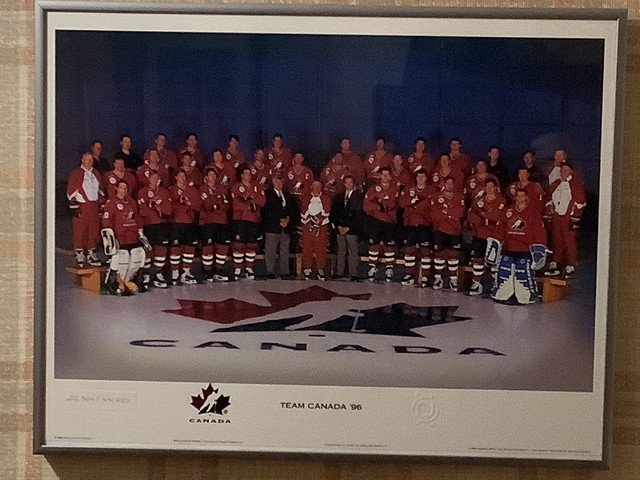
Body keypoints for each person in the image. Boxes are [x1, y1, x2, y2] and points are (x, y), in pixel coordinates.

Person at [487, 188, 548, 304]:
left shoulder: (533, 213)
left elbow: (540, 233)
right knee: (505, 266)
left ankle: (526, 295)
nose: (520, 199)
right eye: (518, 196)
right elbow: (500, 230)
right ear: (515, 198)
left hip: (525, 250)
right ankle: (502, 294)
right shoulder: (507, 211)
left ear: (526, 198)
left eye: (522, 196)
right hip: (509, 248)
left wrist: (539, 250)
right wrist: (495, 244)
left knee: (522, 268)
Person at [101, 180, 148, 295]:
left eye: (125, 188)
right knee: (122, 258)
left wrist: (141, 233)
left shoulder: (131, 202)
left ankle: (128, 280)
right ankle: (115, 283)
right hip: (120, 237)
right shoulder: (111, 202)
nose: (124, 190)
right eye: (121, 187)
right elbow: (106, 221)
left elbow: (137, 218)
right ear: (116, 188)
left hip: (133, 236)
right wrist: (111, 239)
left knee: (138, 256)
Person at [544, 163, 586, 278]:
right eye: (562, 170)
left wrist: (575, 217)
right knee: (556, 239)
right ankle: (556, 263)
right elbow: (548, 199)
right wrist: (549, 212)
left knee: (569, 241)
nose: (564, 172)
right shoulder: (555, 184)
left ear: (571, 171)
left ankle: (570, 264)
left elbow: (580, 203)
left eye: (566, 170)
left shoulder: (575, 185)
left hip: (568, 217)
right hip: (556, 216)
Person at [466, 178, 506, 295]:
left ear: (495, 188)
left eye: (491, 186)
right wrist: (479, 219)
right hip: (480, 233)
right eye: (487, 186)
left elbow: (497, 216)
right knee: (478, 259)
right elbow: (470, 214)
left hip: (495, 235)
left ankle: (495, 285)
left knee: (494, 261)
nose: (489, 189)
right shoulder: (479, 200)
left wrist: (483, 214)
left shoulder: (501, 201)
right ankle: (476, 284)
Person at [399, 170, 436, 287]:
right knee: (409, 249)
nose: (420, 178)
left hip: (424, 223)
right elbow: (401, 202)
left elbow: (431, 205)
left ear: (426, 178)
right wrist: (411, 202)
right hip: (410, 223)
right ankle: (408, 275)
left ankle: (425, 276)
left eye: (422, 176)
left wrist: (414, 207)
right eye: (418, 176)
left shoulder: (431, 190)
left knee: (425, 250)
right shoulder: (409, 189)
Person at [66, 152, 104, 267]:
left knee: (93, 230)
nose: (90, 162)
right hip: (83, 206)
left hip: (94, 206)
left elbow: (101, 191)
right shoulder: (76, 173)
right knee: (80, 230)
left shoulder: (95, 173)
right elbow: (70, 191)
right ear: (82, 160)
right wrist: (74, 206)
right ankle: (79, 253)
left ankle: (91, 252)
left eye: (91, 160)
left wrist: (101, 205)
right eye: (87, 160)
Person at [137, 171, 172, 289]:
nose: (154, 180)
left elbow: (168, 209)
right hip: (148, 225)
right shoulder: (142, 192)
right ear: (148, 179)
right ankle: (146, 274)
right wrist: (153, 208)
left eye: (156, 178)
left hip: (161, 225)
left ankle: (158, 274)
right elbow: (142, 210)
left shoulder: (164, 192)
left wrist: (159, 209)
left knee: (161, 249)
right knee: (148, 249)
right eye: (152, 178)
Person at [363, 167, 399, 282]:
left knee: (389, 245)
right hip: (376, 220)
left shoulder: (394, 188)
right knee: (374, 244)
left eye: (387, 174)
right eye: (383, 174)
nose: (385, 177)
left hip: (389, 221)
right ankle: (372, 267)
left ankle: (389, 269)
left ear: (390, 176)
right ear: (380, 176)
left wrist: (386, 205)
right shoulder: (373, 188)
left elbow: (396, 204)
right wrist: (377, 206)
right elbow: (366, 205)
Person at [430, 176, 466, 290]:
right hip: (440, 229)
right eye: (447, 183)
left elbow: (460, 213)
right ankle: (438, 278)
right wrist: (450, 215)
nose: (449, 185)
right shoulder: (436, 196)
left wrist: (445, 213)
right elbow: (433, 214)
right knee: (439, 254)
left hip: (454, 230)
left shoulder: (459, 196)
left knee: (453, 255)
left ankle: (453, 280)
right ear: (444, 183)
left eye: (451, 183)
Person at [230, 166, 266, 280]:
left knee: (251, 245)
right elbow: (236, 203)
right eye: (246, 174)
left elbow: (262, 201)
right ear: (241, 175)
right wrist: (248, 204)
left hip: (253, 220)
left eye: (249, 174)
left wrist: (251, 197)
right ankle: (238, 268)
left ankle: (249, 268)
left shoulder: (257, 187)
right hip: (240, 219)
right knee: (239, 245)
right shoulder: (236, 187)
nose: (248, 176)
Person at [168, 169, 202, 285]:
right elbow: (168, 206)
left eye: (184, 176)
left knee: (189, 247)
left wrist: (189, 204)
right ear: (176, 177)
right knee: (176, 248)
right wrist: (178, 201)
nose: (182, 178)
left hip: (189, 222)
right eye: (180, 176)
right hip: (176, 222)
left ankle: (186, 271)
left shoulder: (192, 190)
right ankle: (175, 273)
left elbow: (198, 206)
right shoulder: (171, 190)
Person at [262, 176, 299, 279]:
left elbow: (293, 211)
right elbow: (267, 211)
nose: (279, 183)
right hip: (272, 227)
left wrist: (288, 220)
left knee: (285, 250)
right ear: (273, 182)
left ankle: (285, 271)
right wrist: (279, 220)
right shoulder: (268, 194)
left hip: (286, 227)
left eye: (280, 181)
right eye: (276, 181)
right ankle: (270, 271)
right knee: (271, 250)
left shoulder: (288, 196)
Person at [199, 168, 232, 282]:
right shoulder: (202, 189)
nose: (213, 177)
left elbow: (226, 205)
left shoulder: (221, 189)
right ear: (206, 177)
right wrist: (217, 203)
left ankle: (218, 269)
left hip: (221, 220)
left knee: (223, 245)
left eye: (214, 175)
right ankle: (207, 271)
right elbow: (206, 205)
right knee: (208, 245)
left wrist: (216, 204)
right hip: (207, 221)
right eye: (210, 175)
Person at [330, 175, 363, 281]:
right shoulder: (338, 197)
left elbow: (359, 215)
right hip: (340, 228)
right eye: (346, 182)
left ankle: (353, 273)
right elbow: (334, 213)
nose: (348, 185)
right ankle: (339, 272)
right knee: (341, 251)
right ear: (344, 184)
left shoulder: (359, 197)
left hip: (352, 229)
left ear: (353, 184)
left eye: (351, 182)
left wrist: (349, 227)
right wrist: (338, 226)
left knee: (353, 251)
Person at [300, 180, 331, 280]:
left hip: (321, 226)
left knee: (320, 248)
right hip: (307, 226)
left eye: (318, 186)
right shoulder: (306, 197)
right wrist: (310, 223)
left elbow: (326, 212)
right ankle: (307, 268)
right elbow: (304, 211)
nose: (316, 188)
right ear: (311, 187)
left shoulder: (325, 198)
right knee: (307, 247)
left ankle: (320, 268)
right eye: (314, 186)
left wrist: (317, 222)